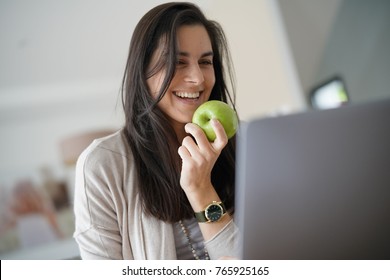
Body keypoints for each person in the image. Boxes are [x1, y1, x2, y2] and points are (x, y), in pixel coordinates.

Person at [73, 2, 238, 260]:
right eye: (177, 62)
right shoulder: (102, 166)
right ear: (142, 72)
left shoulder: (239, 147)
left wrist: (201, 189)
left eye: (205, 62)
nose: (198, 78)